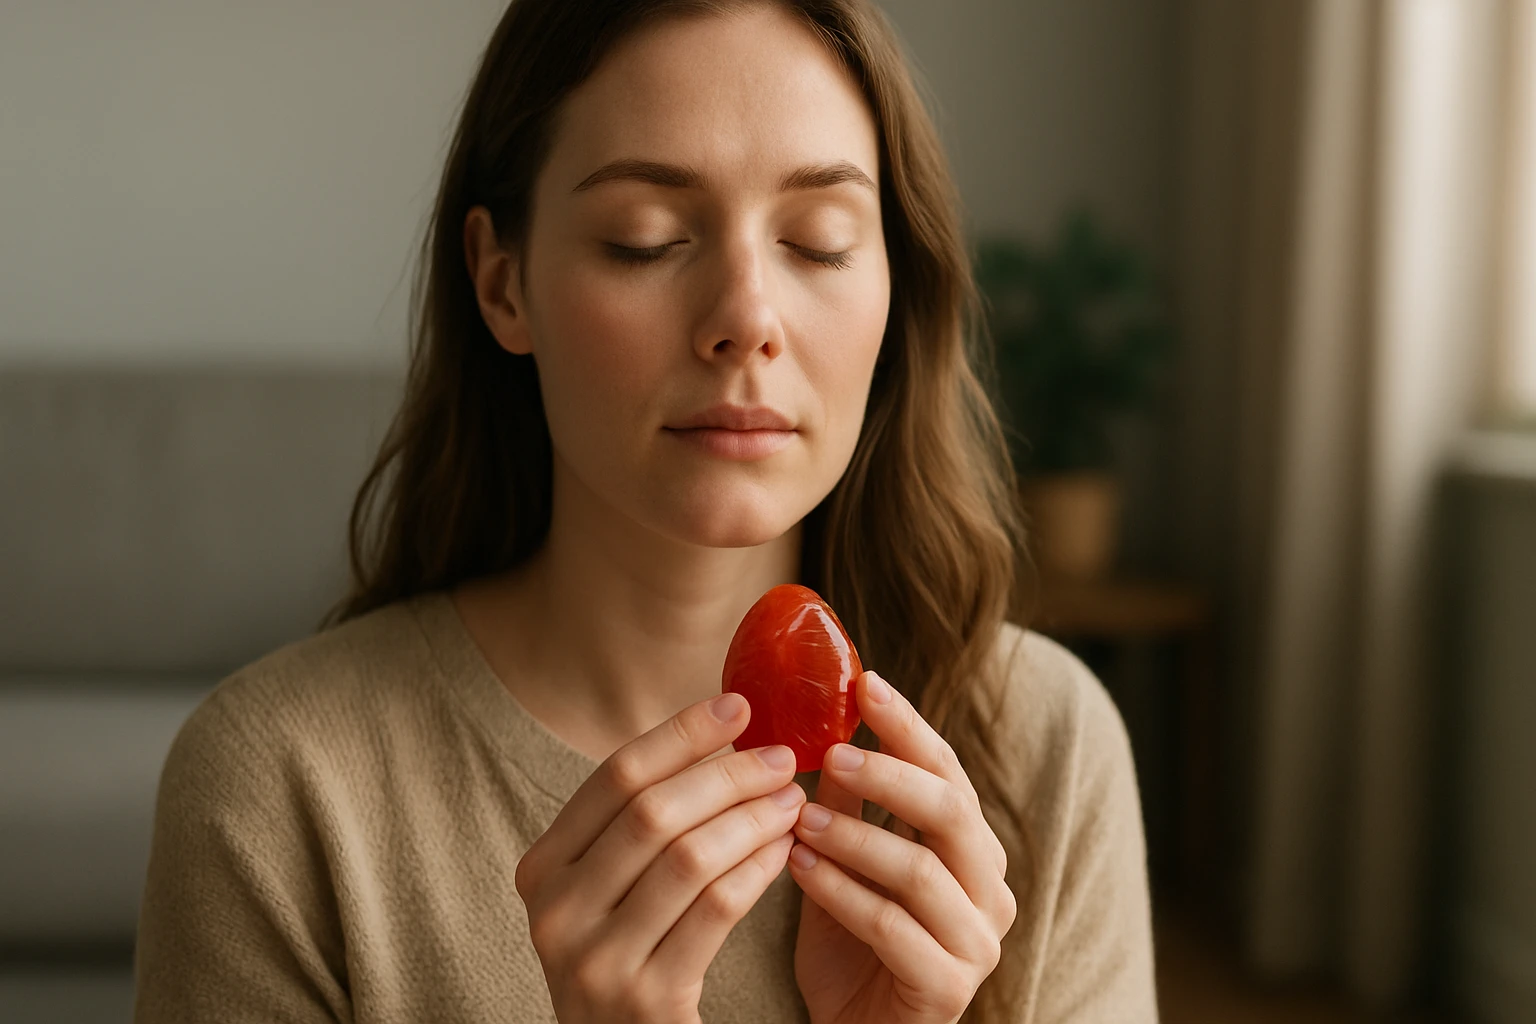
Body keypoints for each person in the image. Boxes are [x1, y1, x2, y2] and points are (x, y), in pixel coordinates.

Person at [132, 1, 1157, 1021]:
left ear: (896, 284)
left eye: (819, 242)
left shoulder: (1046, 747)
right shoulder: (278, 784)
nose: (747, 318)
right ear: (502, 282)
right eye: (645, 239)